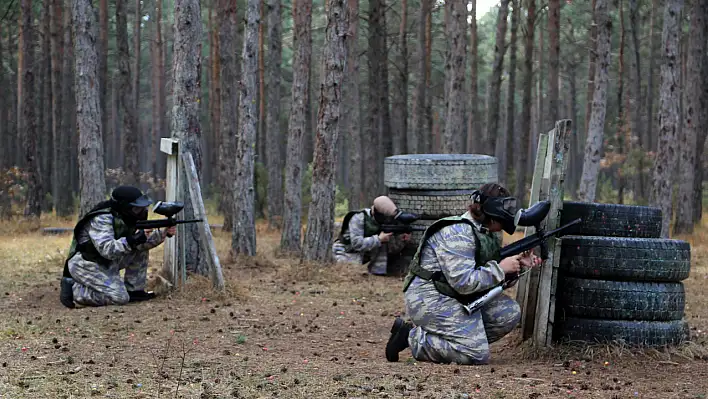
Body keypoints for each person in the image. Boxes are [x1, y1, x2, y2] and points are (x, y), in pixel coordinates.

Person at [384, 183, 541, 364]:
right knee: (476, 354)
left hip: (454, 296)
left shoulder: (485, 233)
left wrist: (515, 267)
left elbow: (486, 277)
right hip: (429, 297)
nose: (503, 224)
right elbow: (464, 282)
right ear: (490, 215)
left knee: (508, 313)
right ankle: (412, 337)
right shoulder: (457, 232)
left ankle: (460, 341)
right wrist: (501, 269)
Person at [59, 186, 177, 308]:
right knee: (119, 298)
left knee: (140, 248)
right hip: (86, 264)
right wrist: (132, 240)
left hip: (106, 262)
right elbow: (107, 250)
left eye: (143, 208)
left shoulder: (125, 217)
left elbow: (141, 243)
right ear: (124, 207)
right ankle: (76, 290)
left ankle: (134, 291)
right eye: (137, 209)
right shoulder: (102, 219)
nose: (142, 213)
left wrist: (163, 232)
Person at [331, 196, 411, 275]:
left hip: (363, 255)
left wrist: (401, 240)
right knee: (349, 272)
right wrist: (378, 239)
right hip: (345, 251)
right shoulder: (359, 218)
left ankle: (378, 272)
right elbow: (357, 244)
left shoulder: (383, 224)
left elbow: (392, 250)